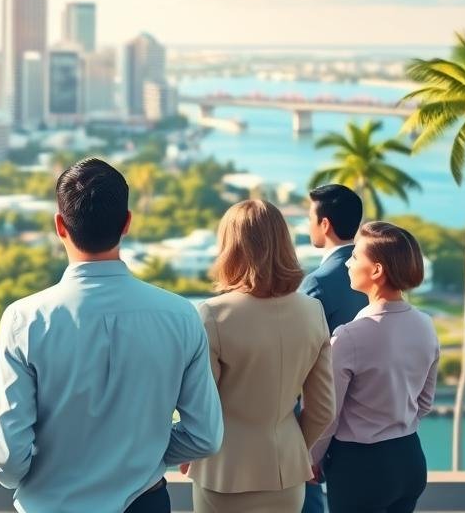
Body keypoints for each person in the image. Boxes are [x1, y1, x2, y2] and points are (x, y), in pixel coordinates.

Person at [0, 158, 223, 513]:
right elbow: (205, 436)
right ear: (127, 223)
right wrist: (143, 450)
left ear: (60, 226)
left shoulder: (25, 320)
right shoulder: (180, 315)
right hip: (146, 503)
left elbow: (5, 460)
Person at [186, 200, 335, 513]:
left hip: (223, 472)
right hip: (286, 476)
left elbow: (200, 406)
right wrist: (293, 449)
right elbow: (323, 409)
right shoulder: (312, 312)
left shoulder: (214, 315)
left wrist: (189, 452)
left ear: (230, 247)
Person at [311, 222, 440, 513]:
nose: (348, 264)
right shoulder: (426, 325)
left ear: (377, 271)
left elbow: (328, 414)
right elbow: (425, 402)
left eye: (355, 256)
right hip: (409, 459)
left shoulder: (350, 336)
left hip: (360, 468)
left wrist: (313, 457)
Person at [299, 183, 366, 513]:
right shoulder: (372, 275)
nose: (307, 225)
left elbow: (300, 355)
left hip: (322, 416)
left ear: (324, 224)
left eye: (310, 217)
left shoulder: (319, 282)